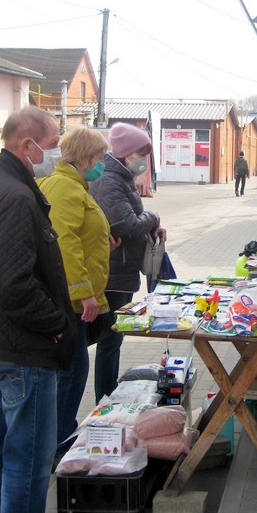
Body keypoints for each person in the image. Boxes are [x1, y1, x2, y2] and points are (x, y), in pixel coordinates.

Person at [0, 106, 76, 513]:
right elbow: (12, 285)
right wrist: (58, 325)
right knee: (26, 465)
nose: (57, 154)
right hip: (24, 352)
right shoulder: (14, 196)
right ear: (27, 146)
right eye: (52, 146)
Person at [37, 126, 116, 451]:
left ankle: (60, 439)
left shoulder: (74, 186)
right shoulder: (64, 187)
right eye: (99, 158)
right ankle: (56, 445)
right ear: (83, 158)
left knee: (73, 372)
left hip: (73, 299)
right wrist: (83, 291)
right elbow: (63, 242)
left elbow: (79, 234)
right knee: (71, 374)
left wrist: (101, 242)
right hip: (69, 301)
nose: (102, 164)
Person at [89, 123, 166, 403]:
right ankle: (106, 398)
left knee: (114, 337)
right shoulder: (109, 180)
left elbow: (134, 218)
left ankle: (108, 394)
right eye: (140, 153)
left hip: (121, 267)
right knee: (111, 338)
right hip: (113, 270)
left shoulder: (120, 176)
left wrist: (151, 227)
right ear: (126, 152)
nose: (142, 159)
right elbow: (127, 224)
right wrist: (153, 218)